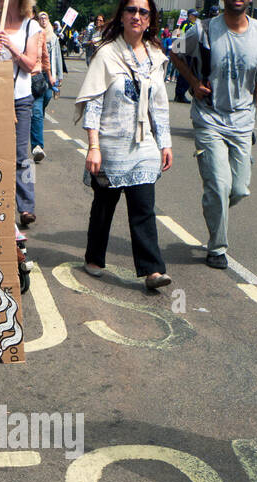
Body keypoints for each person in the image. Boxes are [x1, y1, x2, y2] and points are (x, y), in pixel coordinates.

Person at [169, 0, 257, 270]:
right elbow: (174, 52)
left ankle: (214, 203)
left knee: (238, 189)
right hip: (208, 117)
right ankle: (217, 248)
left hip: (242, 122)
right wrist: (193, 83)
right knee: (219, 185)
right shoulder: (202, 30)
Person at [76, 0, 173, 290]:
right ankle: (94, 257)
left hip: (143, 145)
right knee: (104, 207)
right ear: (121, 16)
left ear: (150, 20)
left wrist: (164, 143)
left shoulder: (156, 57)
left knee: (144, 208)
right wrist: (93, 146)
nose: (137, 16)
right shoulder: (107, 54)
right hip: (110, 145)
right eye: (131, 10)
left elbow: (159, 105)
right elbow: (94, 102)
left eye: (143, 12)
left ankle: (152, 271)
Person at [0, 0, 45, 228]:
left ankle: (27, 205)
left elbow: (31, 64)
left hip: (19, 97)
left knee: (21, 153)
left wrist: (11, 47)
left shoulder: (31, 26)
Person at [31, 9, 62, 162]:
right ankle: (34, 146)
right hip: (19, 78)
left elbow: (46, 57)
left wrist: (51, 76)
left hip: (37, 76)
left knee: (42, 104)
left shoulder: (41, 33)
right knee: (34, 112)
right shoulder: (15, 31)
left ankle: (37, 142)